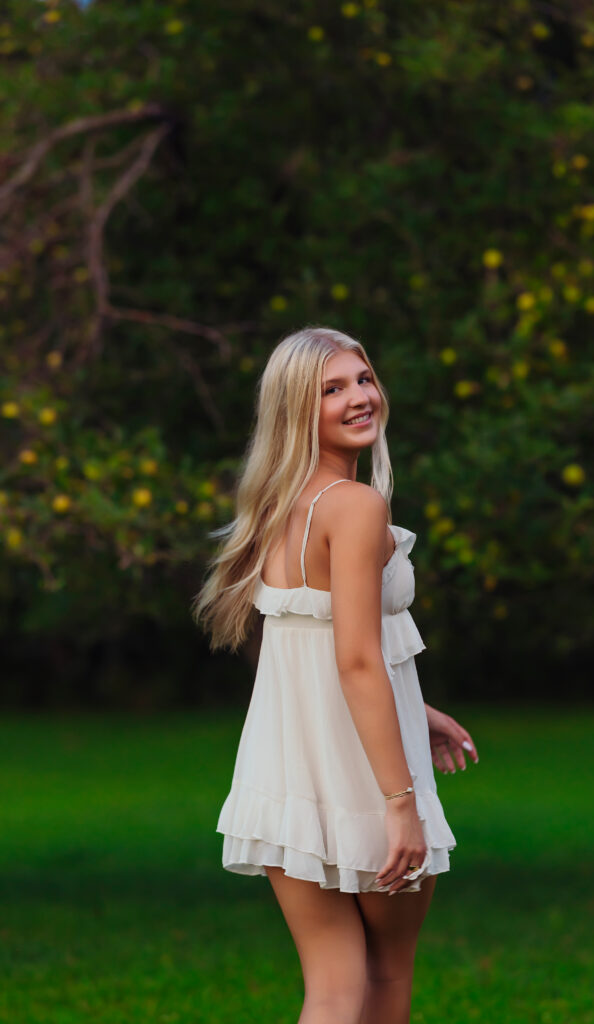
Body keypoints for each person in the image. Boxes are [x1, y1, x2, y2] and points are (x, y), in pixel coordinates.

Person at [192, 326, 478, 1024]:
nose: (359, 398)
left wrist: (418, 707)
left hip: (283, 772)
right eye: (332, 389)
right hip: (360, 778)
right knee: (383, 979)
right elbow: (353, 659)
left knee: (331, 989)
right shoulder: (354, 507)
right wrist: (400, 802)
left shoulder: (275, 508)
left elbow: (321, 641)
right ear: (297, 410)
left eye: (363, 378)